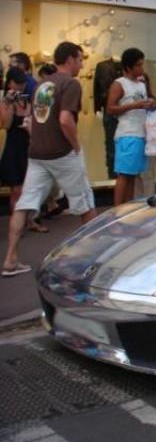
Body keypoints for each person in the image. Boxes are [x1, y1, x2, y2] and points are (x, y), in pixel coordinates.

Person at [2, 42, 97, 277]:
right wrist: (76, 146)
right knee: (85, 203)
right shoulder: (71, 84)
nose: (82, 64)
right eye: (80, 59)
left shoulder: (42, 84)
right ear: (70, 60)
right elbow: (65, 119)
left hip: (37, 154)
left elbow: (37, 119)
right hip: (62, 153)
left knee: (24, 204)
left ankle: (10, 259)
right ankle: (93, 258)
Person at [107, 48, 156, 205]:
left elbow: (152, 102)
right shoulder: (119, 84)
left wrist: (152, 103)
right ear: (128, 67)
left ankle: (128, 207)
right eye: (138, 65)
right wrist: (133, 105)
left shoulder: (141, 84)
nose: (141, 69)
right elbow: (110, 108)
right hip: (127, 134)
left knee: (134, 174)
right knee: (124, 174)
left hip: (141, 133)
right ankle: (117, 210)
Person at [0, 68, 48, 233]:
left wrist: (29, 125)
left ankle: (30, 221)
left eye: (22, 83)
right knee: (16, 190)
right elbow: (5, 125)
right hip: (13, 149)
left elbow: (34, 124)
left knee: (30, 188)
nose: (20, 87)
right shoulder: (5, 101)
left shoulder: (27, 101)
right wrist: (7, 103)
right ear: (10, 83)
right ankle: (17, 226)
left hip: (27, 147)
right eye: (17, 83)